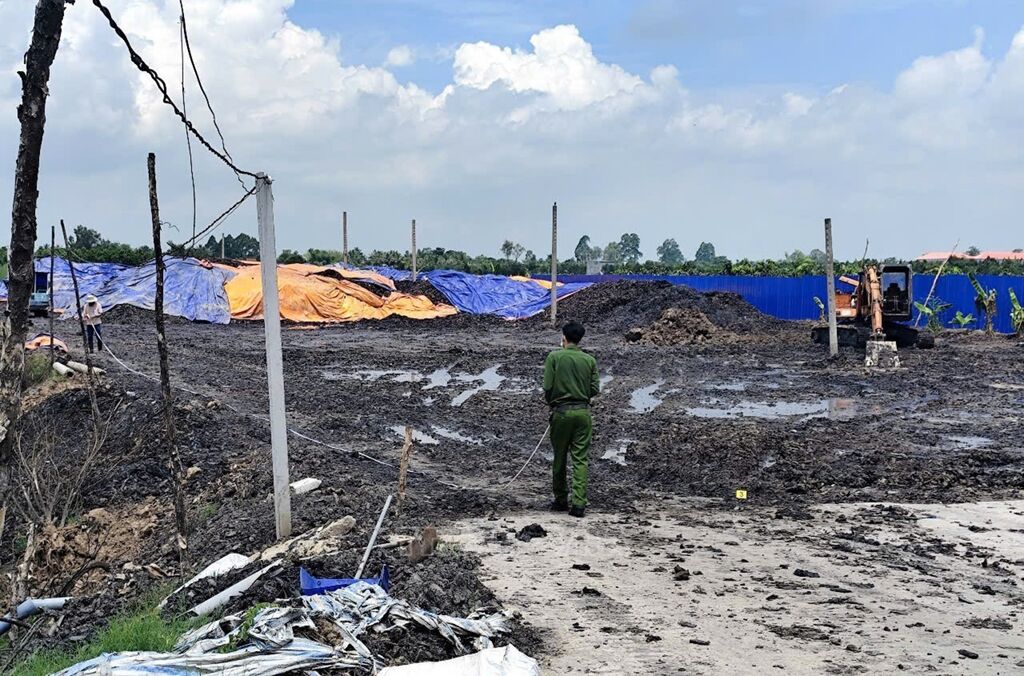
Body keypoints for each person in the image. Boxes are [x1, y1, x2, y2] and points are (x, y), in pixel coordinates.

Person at [543, 321, 599, 518]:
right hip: (583, 414)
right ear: (580, 339)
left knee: (559, 457)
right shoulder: (590, 360)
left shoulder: (554, 357)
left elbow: (547, 386)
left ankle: (560, 499)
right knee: (580, 459)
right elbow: (594, 389)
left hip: (561, 414)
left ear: (564, 337)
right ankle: (579, 504)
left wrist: (553, 402)